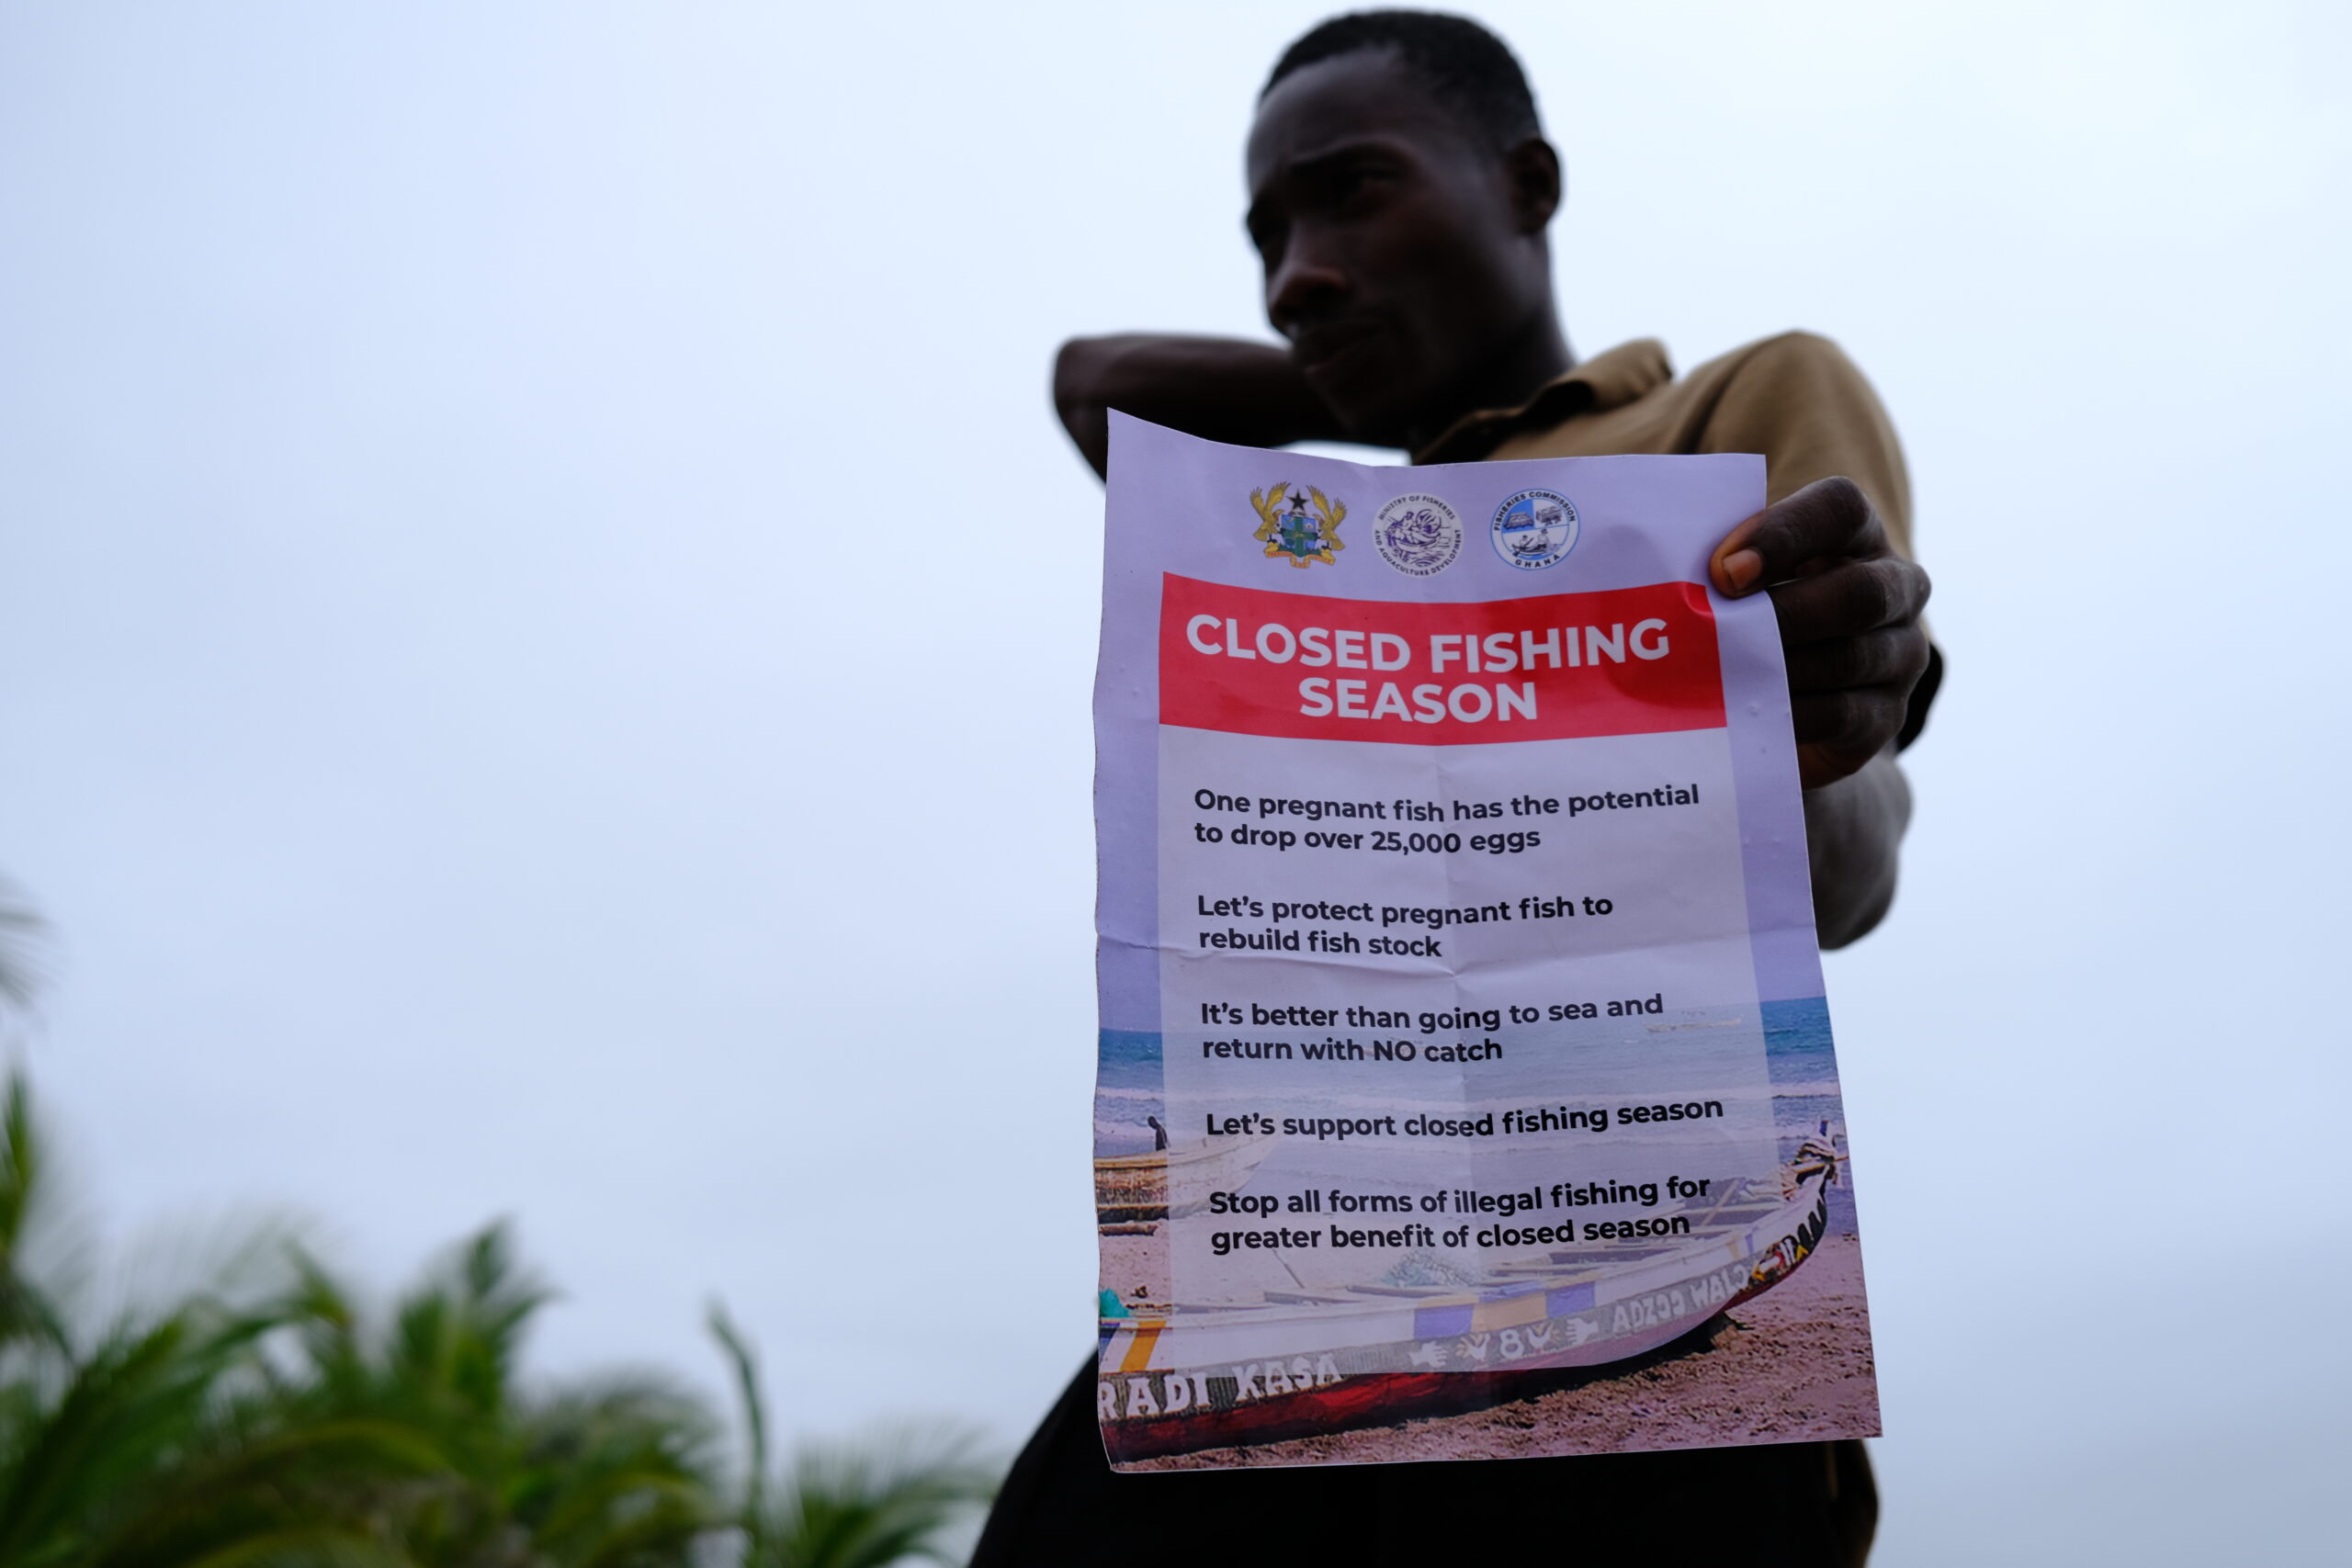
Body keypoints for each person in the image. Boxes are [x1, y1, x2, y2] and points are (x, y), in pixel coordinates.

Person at [976, 13, 1935, 1566]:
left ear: (1527, 186)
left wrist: (1817, 726)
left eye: (1354, 193)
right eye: (1267, 237)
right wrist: (1393, 405)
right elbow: (1098, 385)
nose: (1294, 275)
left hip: (1638, 1294)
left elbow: (1850, 863)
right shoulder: (1334, 536)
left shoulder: (1719, 413)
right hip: (1292, 1272)